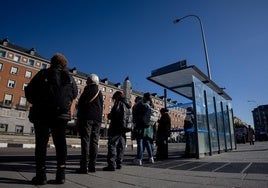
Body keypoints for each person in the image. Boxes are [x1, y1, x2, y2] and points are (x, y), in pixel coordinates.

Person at [25, 53, 78, 185]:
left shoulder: (43, 74)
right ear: (64, 64)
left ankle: (41, 175)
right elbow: (74, 94)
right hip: (61, 115)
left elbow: (29, 92)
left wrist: (37, 101)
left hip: (42, 114)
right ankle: (61, 175)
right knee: (60, 143)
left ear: (51, 62)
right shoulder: (69, 77)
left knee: (41, 144)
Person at [76, 74, 103, 173]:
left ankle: (84, 166)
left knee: (85, 141)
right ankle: (92, 165)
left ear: (89, 81)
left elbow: (82, 104)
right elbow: (101, 106)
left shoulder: (87, 90)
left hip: (87, 118)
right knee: (95, 141)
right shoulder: (99, 91)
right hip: (98, 119)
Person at [103, 91, 132, 171]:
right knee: (121, 146)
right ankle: (119, 163)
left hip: (116, 127)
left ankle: (111, 164)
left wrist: (109, 115)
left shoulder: (119, 103)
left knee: (112, 145)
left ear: (116, 97)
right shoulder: (128, 105)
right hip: (124, 128)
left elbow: (115, 115)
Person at [133, 92, 156, 166]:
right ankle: (151, 157)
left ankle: (139, 159)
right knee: (147, 142)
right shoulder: (151, 105)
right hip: (148, 127)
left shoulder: (141, 104)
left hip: (141, 125)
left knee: (140, 141)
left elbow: (135, 113)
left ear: (144, 97)